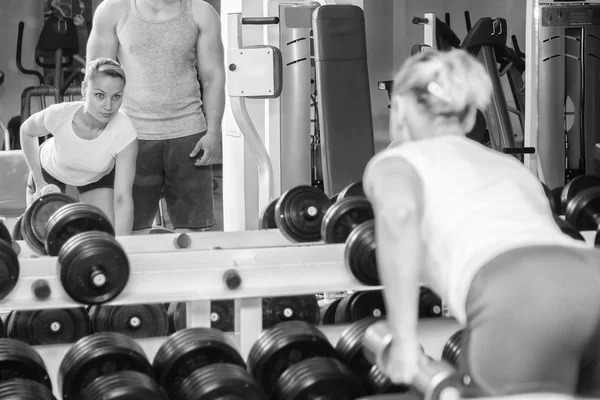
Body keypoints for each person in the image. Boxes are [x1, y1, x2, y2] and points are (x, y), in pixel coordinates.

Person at [363, 49, 599, 399]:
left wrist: (404, 340)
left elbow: (399, 216)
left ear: (399, 108)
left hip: (518, 293)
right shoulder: (510, 168)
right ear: (472, 116)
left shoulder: (396, 162)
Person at [86, 0, 225, 234]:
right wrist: (95, 134)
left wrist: (213, 131)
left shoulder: (200, 12)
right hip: (131, 138)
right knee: (131, 233)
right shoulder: (114, 10)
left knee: (191, 238)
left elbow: (212, 76)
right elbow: (95, 78)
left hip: (188, 136)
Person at [21, 57, 138, 236]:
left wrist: (121, 248)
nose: (108, 106)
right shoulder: (60, 114)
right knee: (44, 236)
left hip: (95, 177)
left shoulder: (124, 131)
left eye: (116, 97)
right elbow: (26, 131)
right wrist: (39, 181)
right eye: (100, 95)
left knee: (105, 233)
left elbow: (122, 198)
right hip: (50, 172)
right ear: (84, 89)